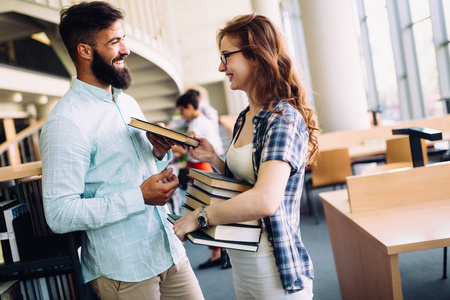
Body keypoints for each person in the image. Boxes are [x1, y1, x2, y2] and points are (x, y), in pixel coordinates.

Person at [40, 2, 203, 299]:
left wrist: (157, 151)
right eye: (114, 41)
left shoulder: (126, 102)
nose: (126, 49)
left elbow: (131, 169)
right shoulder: (65, 122)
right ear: (85, 51)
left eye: (123, 38)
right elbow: (59, 213)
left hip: (167, 249)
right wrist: (139, 197)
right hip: (123, 271)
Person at [172, 13, 319, 299]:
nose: (220, 66)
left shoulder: (283, 119)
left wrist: (200, 217)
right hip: (243, 258)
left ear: (255, 55)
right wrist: (214, 158)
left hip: (274, 265)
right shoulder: (245, 117)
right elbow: (245, 182)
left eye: (227, 56)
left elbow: (264, 199)